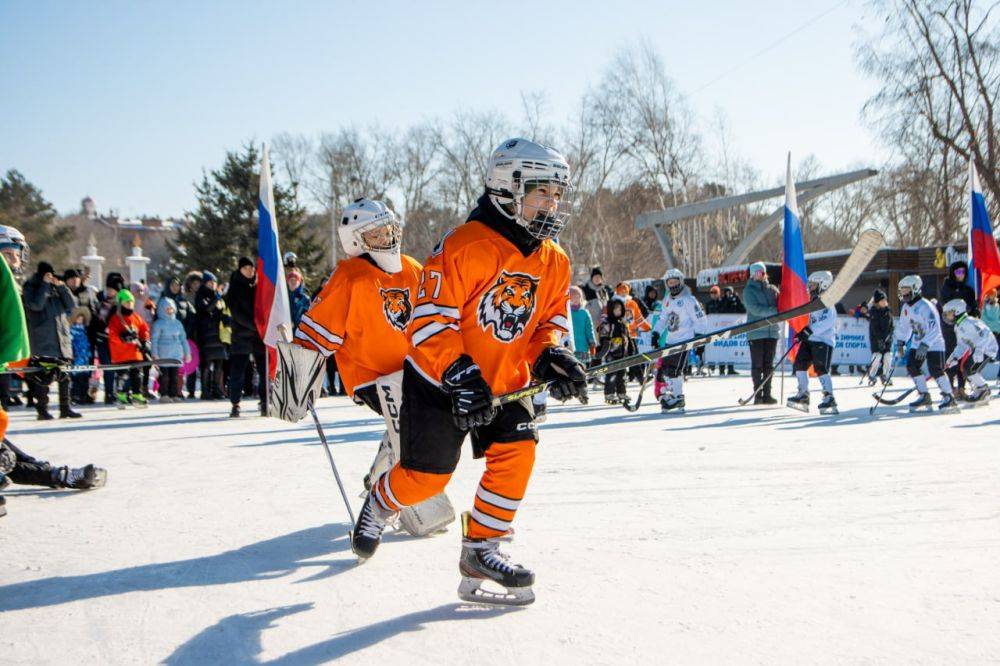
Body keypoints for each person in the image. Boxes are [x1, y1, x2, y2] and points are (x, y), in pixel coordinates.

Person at [349, 138, 587, 607]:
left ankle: (481, 549)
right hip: (440, 382)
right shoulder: (465, 245)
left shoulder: (554, 258)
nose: (552, 204)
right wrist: (458, 373)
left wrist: (551, 356)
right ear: (508, 188)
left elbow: (549, 321)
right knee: (427, 478)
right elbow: (430, 320)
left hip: (506, 381)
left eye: (558, 195)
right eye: (543, 192)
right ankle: (380, 500)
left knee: (518, 452)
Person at [21, 261, 80, 420]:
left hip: (61, 338)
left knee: (64, 376)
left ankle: (65, 408)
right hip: (43, 339)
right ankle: (42, 409)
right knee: (43, 377)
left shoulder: (56, 287)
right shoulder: (31, 286)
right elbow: (36, 305)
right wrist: (44, 286)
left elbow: (71, 304)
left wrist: (61, 286)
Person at [894, 275, 957, 413]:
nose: (903, 293)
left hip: (934, 343)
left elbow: (934, 329)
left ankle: (949, 396)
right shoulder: (906, 307)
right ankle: (924, 395)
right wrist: (901, 342)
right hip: (918, 343)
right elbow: (904, 327)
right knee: (912, 366)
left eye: (906, 290)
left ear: (915, 289)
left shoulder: (925, 306)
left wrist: (926, 344)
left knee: (936, 369)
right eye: (902, 290)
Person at [650, 268, 707, 414]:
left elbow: (700, 320)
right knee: (664, 370)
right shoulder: (667, 300)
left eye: (675, 281)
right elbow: (663, 318)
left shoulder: (688, 299)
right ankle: (671, 396)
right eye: (670, 282)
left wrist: (700, 340)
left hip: (683, 341)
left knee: (674, 370)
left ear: (681, 282)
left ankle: (678, 397)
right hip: (670, 341)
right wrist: (656, 333)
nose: (673, 284)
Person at [786, 271, 839, 415]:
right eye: (810, 285)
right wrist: (803, 332)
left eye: (813, 285)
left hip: (824, 341)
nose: (810, 288)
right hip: (811, 340)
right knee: (799, 364)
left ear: (824, 285)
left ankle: (829, 397)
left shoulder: (828, 302)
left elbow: (827, 322)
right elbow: (812, 322)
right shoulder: (814, 302)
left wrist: (809, 331)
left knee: (821, 368)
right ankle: (803, 394)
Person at [225, 257, 266, 418]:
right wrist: (255, 325)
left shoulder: (259, 286)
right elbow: (236, 314)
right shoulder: (234, 287)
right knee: (237, 372)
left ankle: (264, 401)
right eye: (246, 268)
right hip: (241, 336)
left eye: (251, 268)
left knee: (263, 371)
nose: (249, 271)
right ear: (240, 270)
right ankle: (235, 403)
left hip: (258, 336)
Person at [942, 299, 998, 405]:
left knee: (970, 369)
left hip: (987, 348)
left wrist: (980, 350)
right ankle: (980, 390)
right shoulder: (958, 326)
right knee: (966, 369)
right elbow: (962, 345)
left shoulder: (970, 321)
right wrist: (954, 357)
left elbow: (985, 333)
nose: (946, 316)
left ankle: (983, 390)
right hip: (978, 350)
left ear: (957, 311)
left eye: (948, 313)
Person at [741, 261, 780, 405]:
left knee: (768, 365)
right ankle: (758, 393)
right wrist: (775, 312)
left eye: (762, 272)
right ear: (752, 274)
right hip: (756, 332)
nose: (760, 275)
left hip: (772, 332)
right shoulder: (748, 291)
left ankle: (767, 394)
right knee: (758, 364)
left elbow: (781, 303)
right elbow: (755, 309)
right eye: (757, 273)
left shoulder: (772, 290)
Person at [939, 260, 978, 397]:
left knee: (964, 357)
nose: (960, 274)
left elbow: (972, 307)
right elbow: (943, 306)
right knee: (952, 356)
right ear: (952, 273)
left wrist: (974, 311)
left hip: (965, 328)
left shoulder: (969, 289)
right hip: (950, 327)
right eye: (957, 272)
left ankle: (962, 387)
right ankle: (951, 387)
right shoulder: (946, 287)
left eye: (963, 272)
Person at [107, 289, 151, 408]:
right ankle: (121, 395)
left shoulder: (136, 317)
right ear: (120, 303)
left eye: (131, 302)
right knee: (123, 375)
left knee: (137, 374)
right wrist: (123, 338)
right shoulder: (115, 318)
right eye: (127, 303)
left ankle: (137, 394)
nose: (130, 305)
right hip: (120, 354)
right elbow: (112, 334)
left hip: (135, 353)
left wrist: (145, 341)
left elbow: (144, 329)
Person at [91, 272, 125, 404]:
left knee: (119, 368)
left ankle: (119, 392)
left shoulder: (121, 305)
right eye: (108, 289)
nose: (109, 292)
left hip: (116, 341)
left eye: (112, 290)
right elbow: (97, 321)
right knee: (107, 367)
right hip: (103, 340)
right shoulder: (102, 303)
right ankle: (109, 393)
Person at [194, 270, 227, 400]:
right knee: (206, 365)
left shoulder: (217, 297)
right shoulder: (201, 296)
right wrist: (217, 297)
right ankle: (205, 390)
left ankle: (217, 390)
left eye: (214, 282)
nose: (212, 285)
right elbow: (207, 309)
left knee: (219, 363)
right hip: (206, 335)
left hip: (218, 335)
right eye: (209, 282)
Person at [595, 297, 633, 404]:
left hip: (622, 353)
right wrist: (604, 348)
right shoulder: (607, 323)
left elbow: (628, 338)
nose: (618, 312)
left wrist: (631, 350)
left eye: (620, 310)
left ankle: (621, 392)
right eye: (616, 309)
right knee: (611, 374)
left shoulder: (622, 323)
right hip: (611, 353)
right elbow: (603, 337)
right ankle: (609, 394)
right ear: (611, 310)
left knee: (622, 374)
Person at [151, 298, 189, 402]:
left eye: (171, 309)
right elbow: (154, 340)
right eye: (167, 309)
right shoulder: (158, 324)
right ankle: (164, 394)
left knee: (175, 377)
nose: (170, 311)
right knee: (164, 377)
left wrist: (187, 352)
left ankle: (174, 394)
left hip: (175, 355)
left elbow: (183, 338)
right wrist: (154, 354)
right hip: (163, 355)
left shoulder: (177, 323)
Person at [181, 272, 202, 398]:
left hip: (203, 332)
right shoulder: (186, 297)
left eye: (199, 283)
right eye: (194, 283)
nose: (197, 286)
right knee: (191, 361)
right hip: (190, 332)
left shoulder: (204, 295)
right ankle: (191, 388)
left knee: (203, 362)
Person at [866, 289, 894, 385]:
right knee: (877, 356)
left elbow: (891, 326)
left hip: (887, 339)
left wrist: (889, 335)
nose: (884, 302)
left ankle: (886, 375)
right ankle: (872, 375)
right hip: (876, 339)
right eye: (882, 300)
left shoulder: (888, 312)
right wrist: (880, 340)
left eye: (885, 300)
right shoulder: (874, 313)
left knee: (888, 356)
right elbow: (875, 328)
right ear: (877, 302)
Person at [69, 306, 92, 404]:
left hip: (85, 357)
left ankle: (83, 394)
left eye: (82, 319)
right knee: (76, 378)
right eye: (78, 318)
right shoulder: (72, 331)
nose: (80, 320)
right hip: (76, 357)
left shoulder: (85, 331)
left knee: (85, 378)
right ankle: (76, 395)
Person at [568, 286, 596, 365]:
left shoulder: (584, 312)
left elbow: (589, 329)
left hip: (583, 347)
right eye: (573, 297)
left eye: (578, 297)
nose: (576, 299)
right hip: (571, 348)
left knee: (584, 369)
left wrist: (592, 343)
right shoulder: (567, 313)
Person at [580, 266, 613, 333]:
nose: (597, 279)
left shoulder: (605, 290)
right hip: (590, 320)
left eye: (599, 277)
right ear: (592, 278)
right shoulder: (586, 289)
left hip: (603, 321)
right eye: (595, 277)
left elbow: (609, 304)